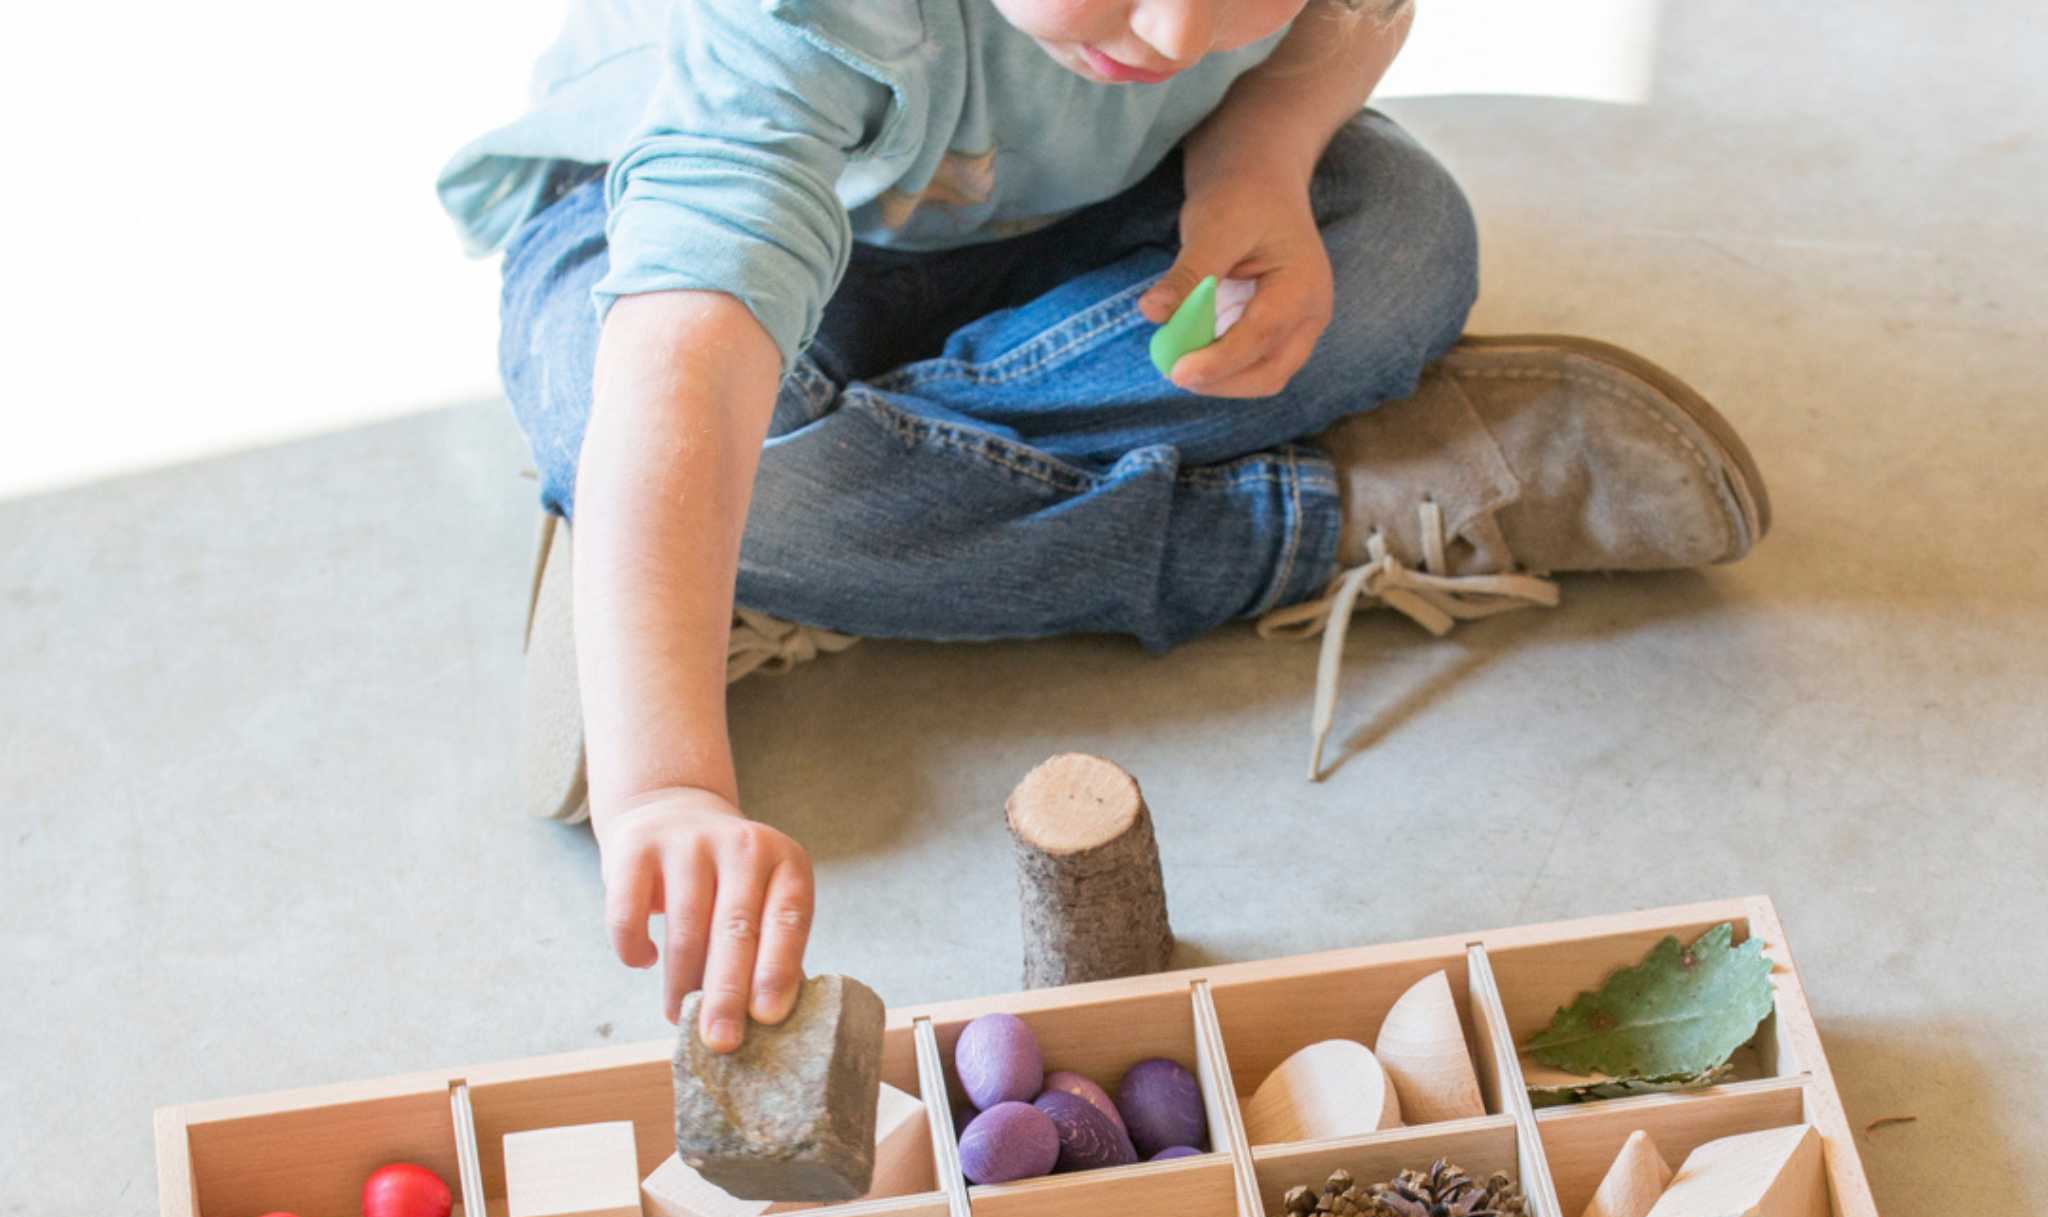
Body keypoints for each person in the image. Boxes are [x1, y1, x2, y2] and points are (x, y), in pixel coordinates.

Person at [442, 0, 1768, 1047]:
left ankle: (735, 542)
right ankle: (1309, 516)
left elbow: (1351, 19)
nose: (1177, 33)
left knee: (1408, 243)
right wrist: (663, 782)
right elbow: (688, 349)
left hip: (1059, 228)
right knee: (667, 419)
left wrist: (1265, 153)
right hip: (663, 272)